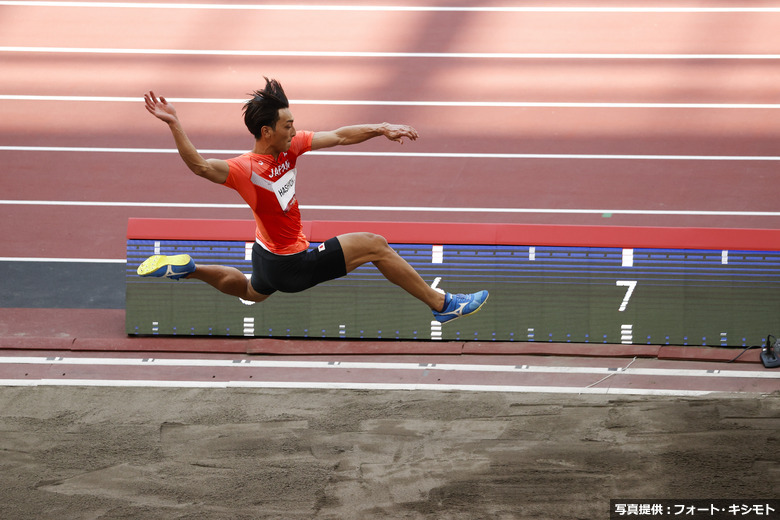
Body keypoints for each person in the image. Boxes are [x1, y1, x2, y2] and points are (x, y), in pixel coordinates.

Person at [137, 77, 488, 324]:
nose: (295, 129)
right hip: (291, 264)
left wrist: (381, 127)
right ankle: (442, 304)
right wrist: (174, 123)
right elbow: (199, 166)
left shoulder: (290, 146)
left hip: (265, 255)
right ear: (267, 132)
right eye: (288, 125)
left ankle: (189, 270)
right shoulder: (244, 169)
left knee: (249, 289)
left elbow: (338, 135)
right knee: (375, 245)